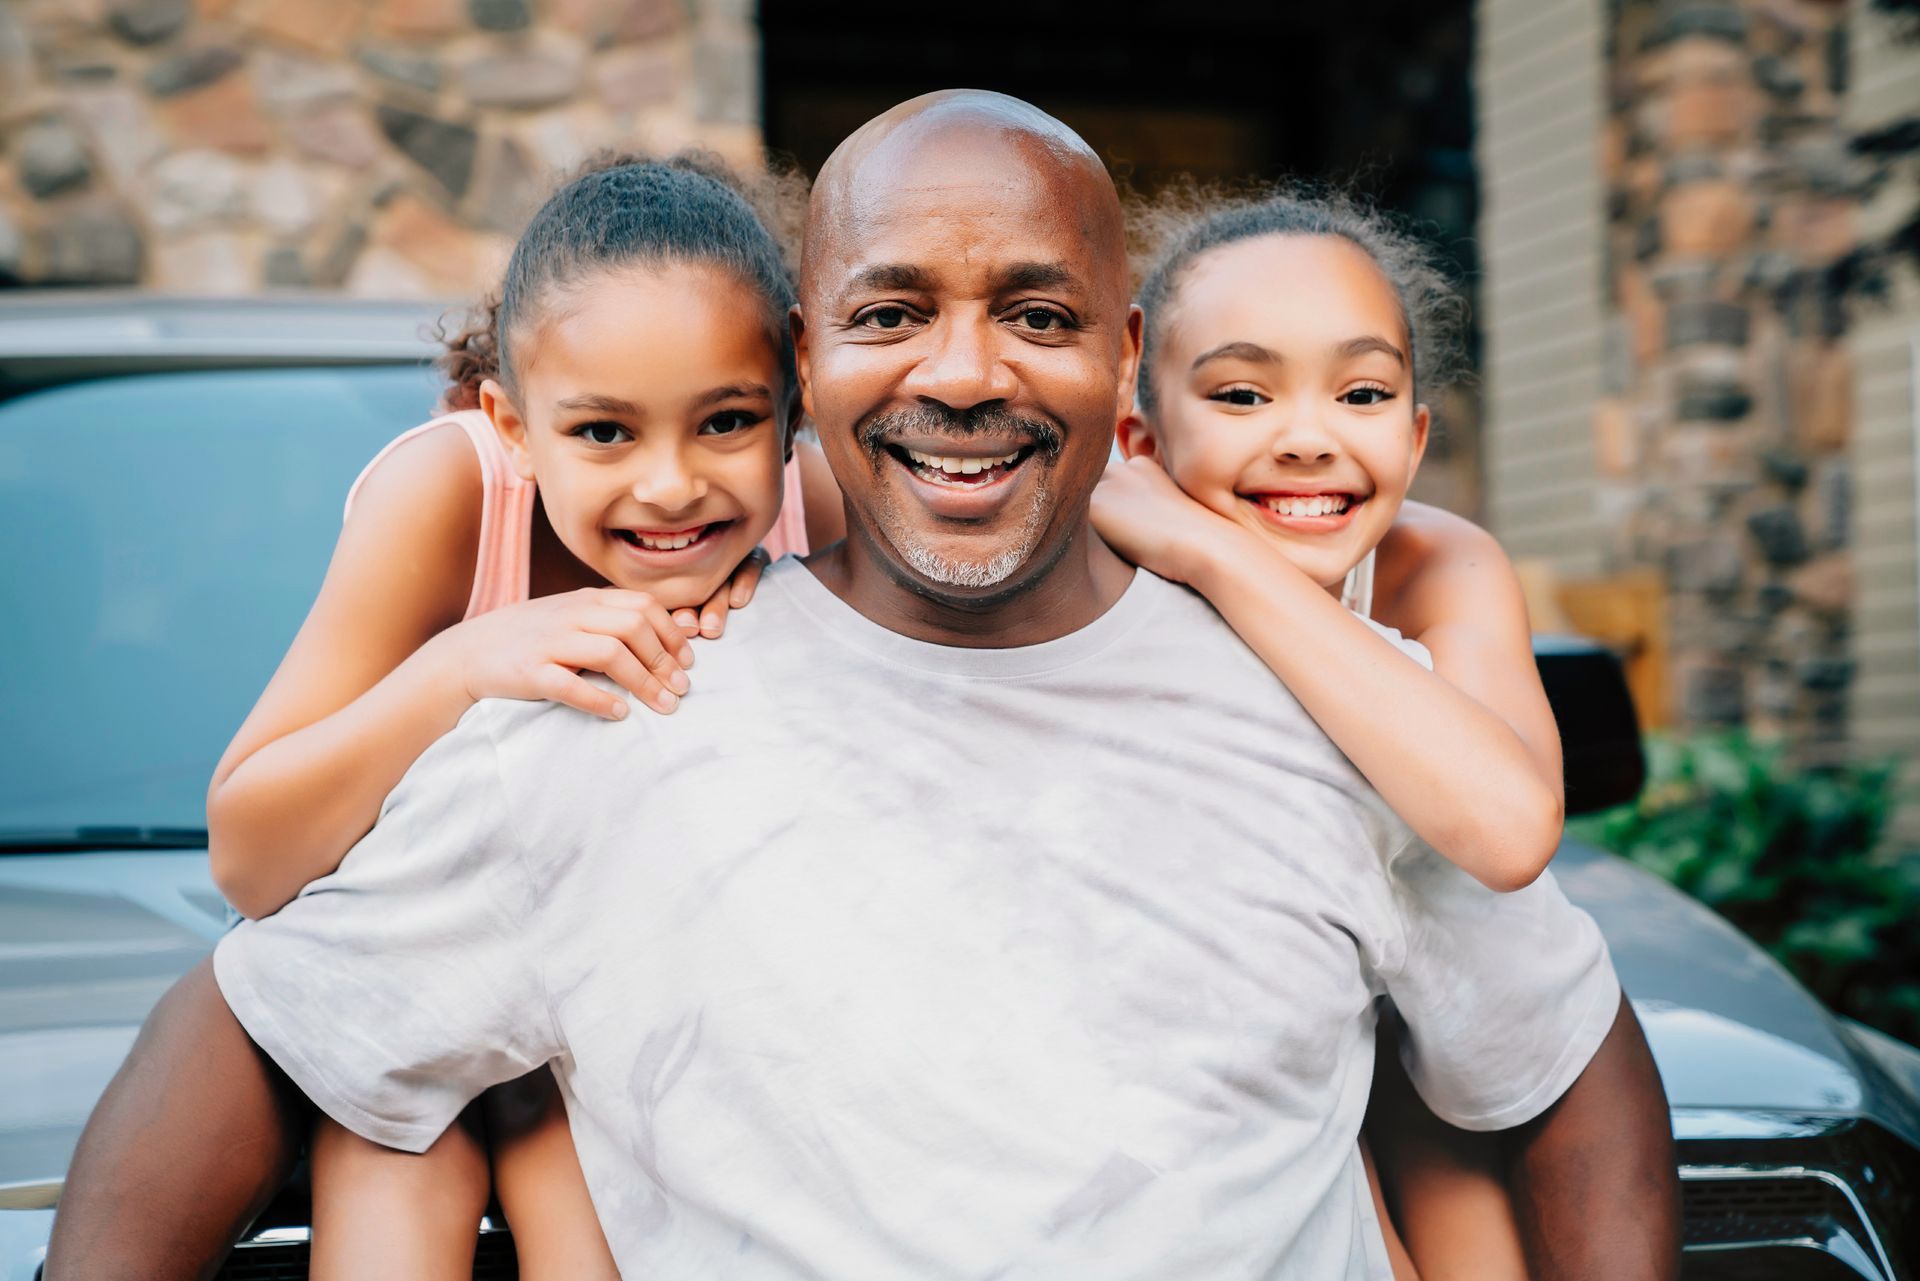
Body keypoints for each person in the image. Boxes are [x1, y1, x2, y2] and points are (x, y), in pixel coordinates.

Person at [47, 91, 1680, 1280]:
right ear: (806, 358)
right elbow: (251, 1019)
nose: (963, 375)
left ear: (1123, 361)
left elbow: (1567, 1041)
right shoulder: (624, 697)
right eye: (892, 312)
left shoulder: (1328, 700)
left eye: (1034, 314)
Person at [201, 152, 818, 1280]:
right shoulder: (450, 495)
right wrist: (461, 664)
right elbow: (248, 861)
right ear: (514, 426)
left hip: (635, 1024)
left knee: (587, 1174)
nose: (671, 485)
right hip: (417, 996)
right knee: (399, 1152)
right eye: (603, 433)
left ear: (796, 406)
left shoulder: (811, 529)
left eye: (726, 421)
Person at [1093, 189, 1576, 1277]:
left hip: (1466, 1029)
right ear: (1141, 435)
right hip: (1239, 1044)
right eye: (1242, 393)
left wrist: (1227, 558)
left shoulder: (1436, 563)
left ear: (1414, 437)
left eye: (1360, 393)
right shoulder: (1090, 579)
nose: (1308, 440)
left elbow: (1508, 832)